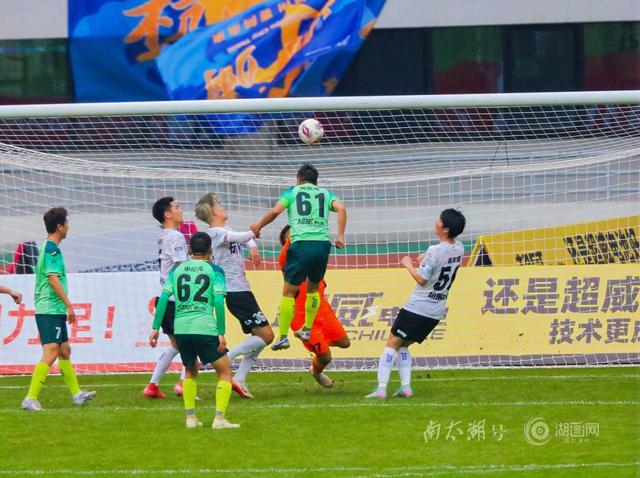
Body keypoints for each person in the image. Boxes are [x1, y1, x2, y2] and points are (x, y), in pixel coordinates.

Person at [365, 209, 466, 399]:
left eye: (439, 220)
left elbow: (422, 280)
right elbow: (443, 260)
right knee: (403, 345)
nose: (436, 221)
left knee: (392, 343)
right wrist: (425, 258)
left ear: (445, 229)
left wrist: (408, 264)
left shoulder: (434, 250)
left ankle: (381, 388)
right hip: (436, 311)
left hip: (418, 307)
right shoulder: (460, 248)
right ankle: (405, 387)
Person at [250, 163, 347, 351]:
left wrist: (258, 226)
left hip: (301, 243)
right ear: (315, 181)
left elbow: (275, 211)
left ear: (298, 179)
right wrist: (341, 235)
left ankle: (283, 337)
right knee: (313, 289)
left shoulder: (292, 192)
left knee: (288, 293)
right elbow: (342, 208)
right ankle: (307, 329)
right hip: (322, 245)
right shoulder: (325, 193)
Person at [149, 232, 239, 429]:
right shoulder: (215, 270)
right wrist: (221, 331)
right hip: (204, 326)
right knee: (224, 371)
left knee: (190, 370)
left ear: (190, 250)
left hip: (181, 328)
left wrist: (155, 327)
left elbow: (163, 298)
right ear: (210, 249)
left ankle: (190, 418)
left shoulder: (177, 270)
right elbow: (218, 301)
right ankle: (219, 419)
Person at [196, 193, 274, 399]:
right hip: (235, 292)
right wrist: (256, 228)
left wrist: (253, 247)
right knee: (267, 336)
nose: (223, 207)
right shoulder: (215, 233)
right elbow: (240, 237)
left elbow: (244, 239)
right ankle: (224, 359)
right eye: (219, 205)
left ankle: (239, 378)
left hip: (241, 290)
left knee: (258, 338)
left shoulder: (225, 230)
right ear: (213, 212)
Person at [22, 207, 96, 411]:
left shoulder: (49, 247)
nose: (68, 227)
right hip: (49, 308)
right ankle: (30, 398)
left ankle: (77, 394)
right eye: (67, 223)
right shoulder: (51, 249)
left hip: (53, 308)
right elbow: (53, 280)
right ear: (60, 226)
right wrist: (69, 305)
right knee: (52, 351)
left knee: (64, 350)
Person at [279, 225, 350, 387]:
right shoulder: (286, 260)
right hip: (302, 318)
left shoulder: (313, 257)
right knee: (326, 357)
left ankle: (318, 345)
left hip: (322, 311)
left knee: (345, 343)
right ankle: (316, 371)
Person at [143, 197, 188, 399]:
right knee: (190, 344)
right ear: (167, 214)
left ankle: (152, 386)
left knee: (177, 345)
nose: (181, 210)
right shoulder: (176, 237)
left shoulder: (163, 236)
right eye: (177, 207)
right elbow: (182, 268)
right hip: (177, 300)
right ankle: (184, 384)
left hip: (164, 298)